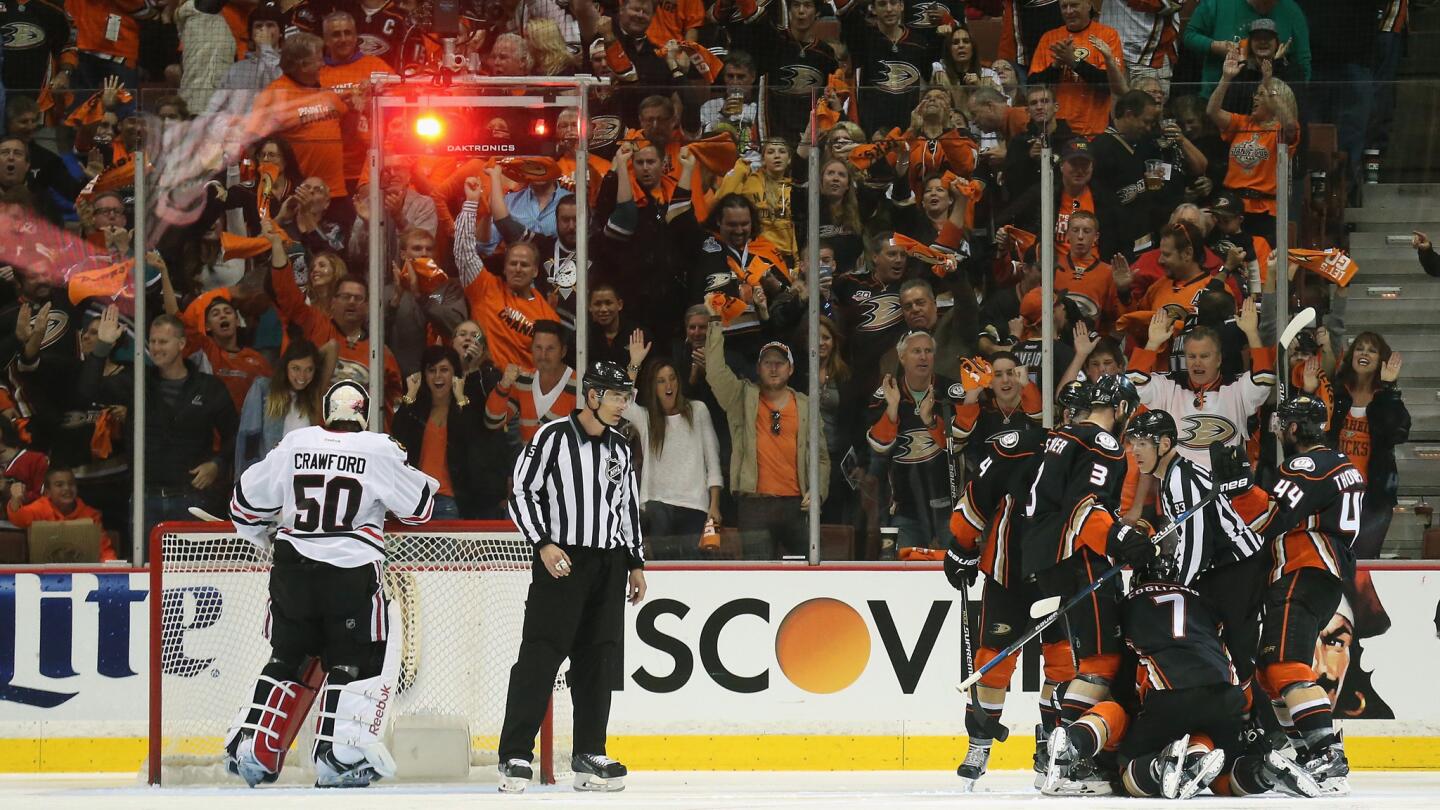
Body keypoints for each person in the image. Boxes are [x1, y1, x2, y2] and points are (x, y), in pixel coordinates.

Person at [223, 380, 438, 788]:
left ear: (326, 411)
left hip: (291, 567)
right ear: (364, 413)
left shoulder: (295, 442)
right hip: (351, 570)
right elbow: (420, 510)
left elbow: (244, 503)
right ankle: (339, 758)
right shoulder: (378, 448)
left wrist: (261, 537)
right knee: (354, 660)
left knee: (289, 655)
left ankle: (252, 746)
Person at [1044, 545, 1322, 799]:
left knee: (1124, 768)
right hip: (1225, 698)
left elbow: (1120, 677)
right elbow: (1237, 655)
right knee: (1221, 772)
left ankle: (1084, 745)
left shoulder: (1126, 605)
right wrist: (1248, 713)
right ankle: (1260, 773)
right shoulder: (1206, 602)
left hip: (1167, 698)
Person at [499, 361, 647, 793]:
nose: (623, 404)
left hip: (609, 563)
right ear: (593, 396)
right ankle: (514, 754)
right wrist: (542, 543)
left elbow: (626, 508)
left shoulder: (620, 447)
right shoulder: (552, 437)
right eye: (616, 396)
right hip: (561, 559)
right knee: (541, 655)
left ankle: (588, 753)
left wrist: (635, 562)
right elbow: (521, 491)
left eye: (625, 397)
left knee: (598, 659)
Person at [1020, 374, 1144, 791]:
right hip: (1078, 557)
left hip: (1040, 559)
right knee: (1101, 661)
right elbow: (1085, 509)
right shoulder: (1102, 443)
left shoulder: (1060, 436)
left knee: (1062, 664)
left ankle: (1047, 756)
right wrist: (1120, 538)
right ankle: (1066, 760)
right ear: (1121, 408)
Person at [1252, 394, 1366, 794]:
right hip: (1325, 574)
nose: (1280, 432)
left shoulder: (1306, 464)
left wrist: (1237, 493)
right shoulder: (1343, 464)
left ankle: (1324, 752)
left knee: (1284, 665)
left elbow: (1269, 517)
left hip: (1305, 565)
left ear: (1295, 428)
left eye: (1283, 424)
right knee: (1271, 670)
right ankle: (1303, 750)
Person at [946, 419, 1067, 792]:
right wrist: (962, 546)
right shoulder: (1021, 445)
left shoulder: (1093, 455)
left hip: (1057, 573)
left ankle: (1052, 743)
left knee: (1064, 662)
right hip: (1007, 572)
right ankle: (979, 743)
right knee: (991, 663)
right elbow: (978, 496)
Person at [77, 308, 238, 532]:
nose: (155, 348)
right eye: (152, 341)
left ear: (181, 344)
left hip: (193, 499)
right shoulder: (137, 382)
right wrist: (102, 347)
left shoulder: (209, 387)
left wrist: (217, 464)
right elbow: (88, 393)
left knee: (191, 568)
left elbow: (236, 435)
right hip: (145, 499)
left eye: (163, 341)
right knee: (145, 567)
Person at [703, 300, 828, 559]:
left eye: (780, 363)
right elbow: (715, 372)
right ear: (758, 368)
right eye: (767, 362)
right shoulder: (741, 398)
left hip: (797, 505)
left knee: (810, 575)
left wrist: (817, 492)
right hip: (755, 504)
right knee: (758, 576)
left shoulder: (806, 405)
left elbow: (822, 457)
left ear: (791, 369)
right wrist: (715, 323)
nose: (773, 367)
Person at [1127, 297, 1272, 468]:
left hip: (1225, 487)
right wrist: (1153, 343)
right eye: (1192, 356)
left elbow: (1264, 380)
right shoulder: (1170, 387)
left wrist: (1252, 334)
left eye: (1204, 356)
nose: (1197, 363)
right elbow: (1132, 385)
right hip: (1181, 487)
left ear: (1218, 359)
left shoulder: (1237, 388)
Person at [623, 336, 724, 558]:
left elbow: (713, 461)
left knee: (693, 570)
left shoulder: (697, 410)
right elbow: (622, 404)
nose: (668, 385)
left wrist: (714, 506)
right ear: (653, 386)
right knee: (662, 567)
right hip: (657, 507)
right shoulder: (647, 418)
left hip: (695, 506)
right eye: (661, 381)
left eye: (672, 379)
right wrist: (634, 363)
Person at [393, 346, 511, 520]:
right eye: (431, 370)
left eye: (444, 370)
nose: (438, 376)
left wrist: (461, 399)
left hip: (449, 501)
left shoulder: (465, 407)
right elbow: (397, 436)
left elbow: (475, 445)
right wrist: (410, 394)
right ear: (424, 375)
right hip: (415, 500)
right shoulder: (416, 409)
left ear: (455, 375)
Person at [455, 177, 561, 370]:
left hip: (523, 391)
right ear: (504, 267)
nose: (518, 268)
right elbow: (464, 251)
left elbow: (548, 367)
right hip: (483, 382)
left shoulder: (547, 315)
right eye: (513, 263)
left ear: (536, 271)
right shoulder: (485, 287)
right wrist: (471, 203)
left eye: (524, 264)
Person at [867, 331, 958, 554]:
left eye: (928, 351)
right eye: (916, 351)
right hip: (905, 509)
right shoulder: (887, 394)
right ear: (902, 358)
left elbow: (959, 445)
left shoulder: (950, 393)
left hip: (949, 507)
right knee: (902, 573)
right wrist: (891, 410)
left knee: (954, 573)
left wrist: (930, 421)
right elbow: (879, 447)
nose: (923, 357)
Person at [1329, 332, 1409, 559]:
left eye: (1372, 350)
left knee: (1362, 561)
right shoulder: (1338, 392)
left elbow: (1399, 432)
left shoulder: (1384, 396)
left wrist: (1390, 387)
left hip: (1374, 496)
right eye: (1359, 348)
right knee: (1334, 560)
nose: (1364, 353)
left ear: (1380, 360)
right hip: (1336, 494)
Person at [1206, 47, 1299, 238]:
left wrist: (1268, 85)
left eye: (1260, 94)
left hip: (1264, 210)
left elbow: (1289, 123)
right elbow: (1212, 112)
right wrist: (1226, 78)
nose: (1254, 98)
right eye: (1256, 93)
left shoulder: (1281, 132)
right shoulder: (1242, 122)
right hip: (1231, 205)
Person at [1028, 0, 1128, 138]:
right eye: (1064, 7)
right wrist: (1056, 65)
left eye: (1074, 5)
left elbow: (1108, 85)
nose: (1069, 11)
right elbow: (1033, 86)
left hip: (1095, 130)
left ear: (1089, 5)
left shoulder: (1107, 35)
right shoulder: (1049, 38)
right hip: (1057, 129)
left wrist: (1074, 61)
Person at [1181, 0, 1312, 99]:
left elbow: (1303, 59)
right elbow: (1189, 35)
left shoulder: (1291, 10)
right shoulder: (1217, 3)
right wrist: (1215, 46)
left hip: (1276, 101)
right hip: (1218, 96)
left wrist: (1299, 97)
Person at [236, 339, 327, 476]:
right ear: (285, 367)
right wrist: (243, 482)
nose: (302, 376)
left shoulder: (313, 398)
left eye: (309, 369)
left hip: (302, 479)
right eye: (296, 368)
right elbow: (248, 439)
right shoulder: (263, 388)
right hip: (268, 477)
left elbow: (333, 346)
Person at [485, 321, 578, 444]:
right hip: (529, 462)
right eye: (538, 348)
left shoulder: (579, 386)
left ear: (563, 351)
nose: (543, 355)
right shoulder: (523, 380)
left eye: (550, 349)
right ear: (531, 348)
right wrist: (504, 385)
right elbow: (493, 422)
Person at [6, 467, 118, 562]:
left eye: (71, 484)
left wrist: (114, 572)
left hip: (82, 573)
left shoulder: (90, 515)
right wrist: (15, 498)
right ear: (47, 492)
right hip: (46, 575)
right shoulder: (41, 507)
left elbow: (104, 551)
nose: (67, 488)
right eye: (59, 485)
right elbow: (18, 517)